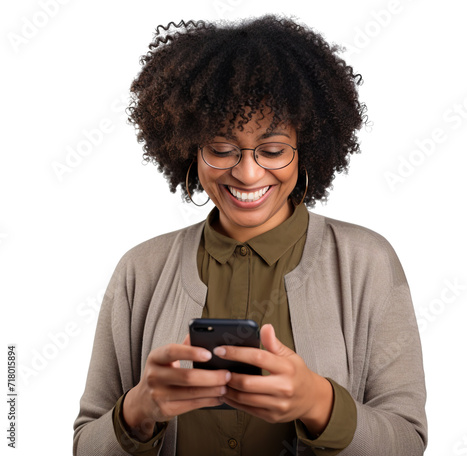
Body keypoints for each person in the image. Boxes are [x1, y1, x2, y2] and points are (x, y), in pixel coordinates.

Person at [73, 15, 427, 456]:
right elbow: (86, 443)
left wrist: (317, 402)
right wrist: (140, 409)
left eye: (273, 150)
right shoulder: (140, 269)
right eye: (221, 149)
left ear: (307, 149)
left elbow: (407, 442)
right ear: (189, 149)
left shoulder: (367, 261)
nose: (246, 172)